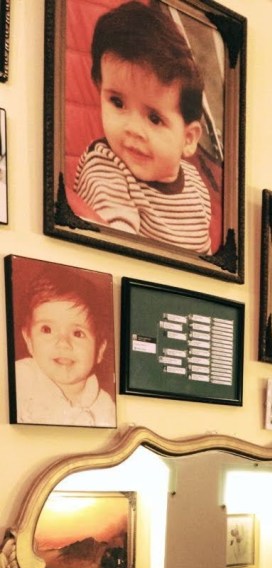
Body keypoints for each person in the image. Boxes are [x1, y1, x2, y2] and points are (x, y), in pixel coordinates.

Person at [74, 1, 212, 255]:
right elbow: (118, 249)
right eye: (117, 103)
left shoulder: (195, 184)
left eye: (154, 118)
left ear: (188, 139)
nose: (133, 129)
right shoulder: (104, 166)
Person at [14, 266, 115, 427]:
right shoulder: (19, 381)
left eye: (78, 333)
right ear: (29, 340)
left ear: (100, 351)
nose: (63, 343)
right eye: (47, 330)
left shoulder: (105, 406)